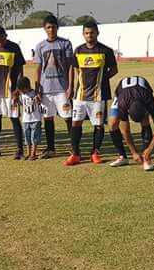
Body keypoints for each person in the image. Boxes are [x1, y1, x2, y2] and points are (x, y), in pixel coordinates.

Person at [64, 21, 118, 166]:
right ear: (83, 34)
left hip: (98, 95)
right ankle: (75, 154)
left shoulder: (105, 51)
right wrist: (71, 86)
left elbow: (114, 70)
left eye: (92, 33)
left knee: (98, 125)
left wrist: (101, 79)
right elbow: (75, 69)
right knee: (76, 123)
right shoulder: (78, 50)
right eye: (87, 33)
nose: (89, 36)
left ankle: (95, 152)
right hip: (80, 95)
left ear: (97, 33)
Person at [34, 15, 74, 159]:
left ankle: (74, 147)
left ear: (57, 28)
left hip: (62, 88)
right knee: (48, 118)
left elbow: (70, 66)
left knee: (68, 117)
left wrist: (70, 86)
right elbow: (38, 69)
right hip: (46, 90)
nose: (51, 30)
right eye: (48, 27)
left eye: (53, 27)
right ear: (44, 29)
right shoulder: (40, 46)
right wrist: (37, 88)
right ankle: (50, 148)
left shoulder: (65, 44)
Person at [0, 26, 26, 159]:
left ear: (5, 35)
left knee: (14, 119)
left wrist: (18, 89)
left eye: (1, 37)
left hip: (11, 91)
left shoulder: (14, 48)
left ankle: (20, 149)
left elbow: (20, 70)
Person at [108, 76, 154, 171]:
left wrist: (150, 149)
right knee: (113, 124)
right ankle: (123, 157)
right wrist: (133, 152)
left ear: (146, 110)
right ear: (128, 111)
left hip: (142, 91)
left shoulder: (149, 102)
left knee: (145, 122)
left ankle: (146, 158)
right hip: (121, 93)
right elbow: (125, 131)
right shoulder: (122, 104)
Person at [17, 76, 42, 160]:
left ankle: (33, 153)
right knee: (27, 137)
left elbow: (39, 102)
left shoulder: (34, 93)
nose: (21, 92)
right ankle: (28, 152)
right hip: (26, 119)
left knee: (34, 137)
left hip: (35, 118)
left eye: (22, 90)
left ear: (26, 87)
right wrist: (16, 101)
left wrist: (37, 100)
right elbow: (21, 104)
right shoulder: (22, 95)